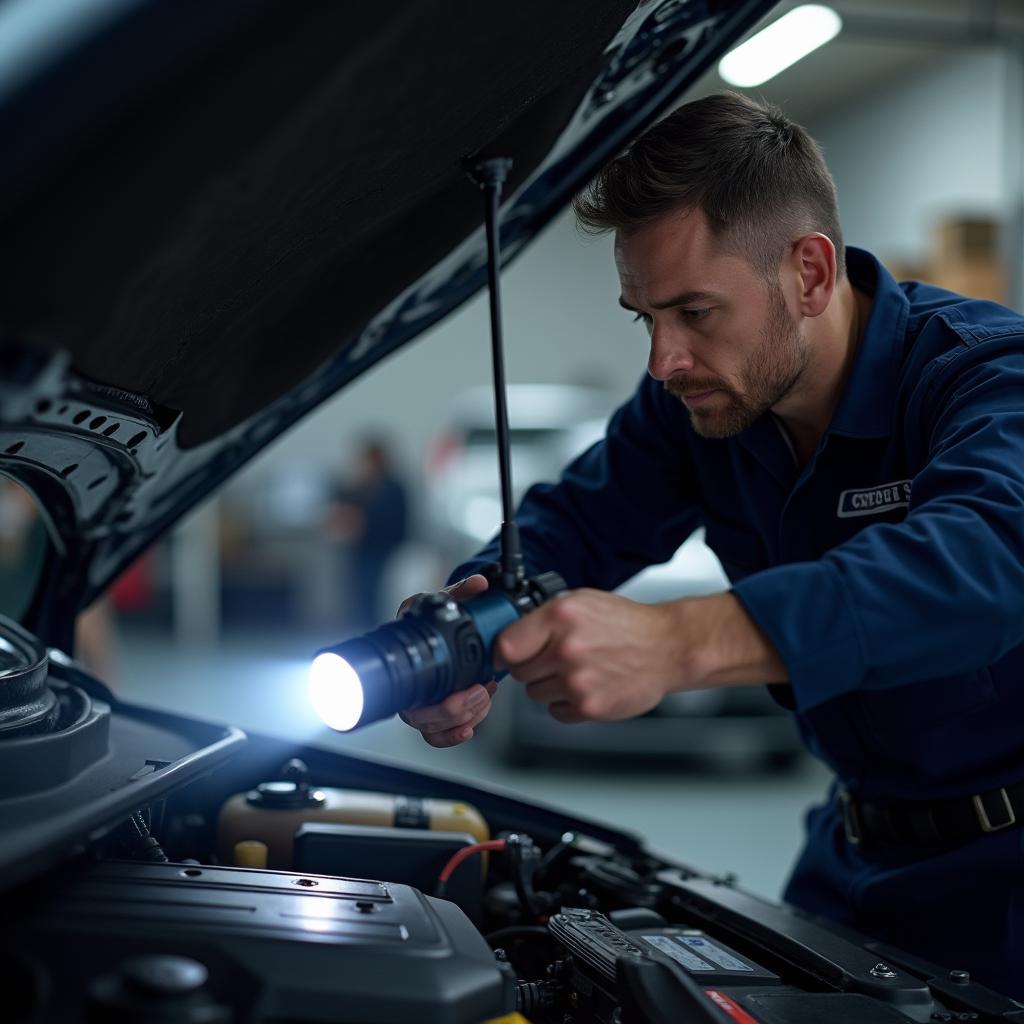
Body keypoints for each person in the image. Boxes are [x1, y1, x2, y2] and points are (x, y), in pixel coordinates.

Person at [399, 92, 1024, 997]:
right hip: (852, 857)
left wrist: (676, 641)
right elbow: (572, 525)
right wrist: (470, 624)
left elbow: (986, 564)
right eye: (643, 317)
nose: (663, 360)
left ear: (809, 274)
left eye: (695, 311)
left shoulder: (985, 377)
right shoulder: (700, 407)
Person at [329, 436, 409, 630]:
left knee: (376, 599)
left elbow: (392, 521)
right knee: (359, 598)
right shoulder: (363, 486)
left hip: (384, 552)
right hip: (362, 552)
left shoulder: (392, 487)